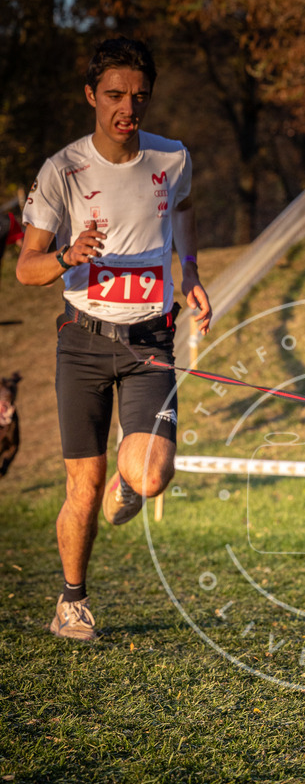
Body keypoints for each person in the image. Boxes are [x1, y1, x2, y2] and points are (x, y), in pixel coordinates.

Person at [16, 37, 212, 641]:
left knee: (152, 476)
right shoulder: (62, 170)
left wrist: (192, 271)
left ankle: (133, 478)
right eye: (114, 95)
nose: (128, 107)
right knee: (84, 485)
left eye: (139, 95)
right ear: (91, 97)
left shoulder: (173, 158)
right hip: (83, 341)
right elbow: (26, 269)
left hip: (150, 337)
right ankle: (71, 602)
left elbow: (181, 210)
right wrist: (66, 254)